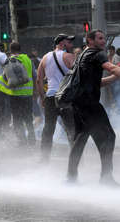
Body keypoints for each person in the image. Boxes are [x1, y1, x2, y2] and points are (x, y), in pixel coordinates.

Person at [67, 30, 120, 185]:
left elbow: (98, 83)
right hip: (89, 105)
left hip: (78, 104)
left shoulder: (82, 56)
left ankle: (71, 177)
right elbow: (112, 67)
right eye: (100, 38)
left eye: (104, 38)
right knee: (109, 137)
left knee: (81, 139)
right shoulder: (96, 54)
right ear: (90, 40)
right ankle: (106, 178)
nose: (103, 41)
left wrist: (117, 76)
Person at [36, 34, 76, 163]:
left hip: (50, 97)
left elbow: (39, 80)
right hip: (65, 97)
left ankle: (44, 158)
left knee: (48, 128)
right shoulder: (69, 57)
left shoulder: (45, 58)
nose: (71, 45)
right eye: (69, 42)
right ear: (62, 43)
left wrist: (42, 97)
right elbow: (78, 76)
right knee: (71, 128)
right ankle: (76, 158)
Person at [0, 42, 36, 147]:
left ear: (10, 50)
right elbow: (34, 76)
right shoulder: (28, 60)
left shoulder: (9, 61)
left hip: (15, 95)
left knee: (17, 120)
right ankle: (32, 141)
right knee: (28, 119)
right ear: (20, 49)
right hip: (28, 94)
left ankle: (22, 142)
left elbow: (5, 78)